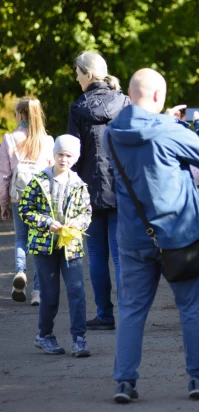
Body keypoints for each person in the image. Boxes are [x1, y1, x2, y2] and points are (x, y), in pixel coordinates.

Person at [103, 68, 199, 403]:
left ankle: (124, 383)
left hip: (132, 236)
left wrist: (167, 121)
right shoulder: (170, 129)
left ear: (131, 93)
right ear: (158, 96)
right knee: (192, 308)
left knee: (130, 310)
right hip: (178, 234)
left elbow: (145, 146)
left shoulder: (111, 133)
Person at [67, 50, 131, 331]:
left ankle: (105, 315)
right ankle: (129, 313)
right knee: (120, 256)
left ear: (89, 74)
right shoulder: (125, 102)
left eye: (78, 73)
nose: (77, 78)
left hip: (89, 192)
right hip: (122, 190)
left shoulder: (78, 108)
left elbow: (73, 155)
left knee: (96, 257)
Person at [19, 134, 92, 357]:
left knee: (76, 292)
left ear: (75, 158)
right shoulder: (39, 181)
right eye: (60, 154)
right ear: (54, 155)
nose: (64, 159)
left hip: (70, 246)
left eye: (68, 155)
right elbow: (25, 210)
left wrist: (76, 223)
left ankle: (79, 339)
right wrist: (46, 222)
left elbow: (86, 213)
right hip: (44, 246)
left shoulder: (79, 185)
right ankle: (45, 335)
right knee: (49, 294)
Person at [0, 96, 55, 305]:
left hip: (18, 196)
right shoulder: (47, 141)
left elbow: (4, 174)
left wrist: (3, 203)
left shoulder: (9, 139)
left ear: (20, 114)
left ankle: (20, 272)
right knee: (39, 242)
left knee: (21, 239)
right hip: (41, 198)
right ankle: (38, 292)